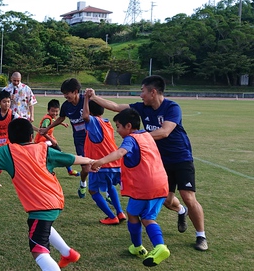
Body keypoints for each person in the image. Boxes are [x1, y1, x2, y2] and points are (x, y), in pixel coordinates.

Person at [0, 118, 96, 271]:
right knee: (40, 225)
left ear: (10, 138)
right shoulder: (43, 149)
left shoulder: (8, 151)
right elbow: (70, 158)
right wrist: (90, 161)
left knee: (38, 251)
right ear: (31, 137)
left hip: (41, 206)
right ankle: (68, 253)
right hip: (55, 200)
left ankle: (67, 254)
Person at [87, 75, 208, 251]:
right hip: (160, 162)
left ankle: (201, 236)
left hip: (181, 158)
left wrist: (136, 140)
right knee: (165, 199)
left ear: (153, 92)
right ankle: (181, 211)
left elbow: (165, 132)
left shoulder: (172, 107)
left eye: (142, 91)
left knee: (188, 196)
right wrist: (94, 97)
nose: (140, 94)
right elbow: (116, 107)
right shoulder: (142, 108)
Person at [92, 108, 170, 267]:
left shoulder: (131, 139)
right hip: (161, 183)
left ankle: (139, 247)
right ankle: (159, 246)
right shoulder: (147, 135)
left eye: (119, 126)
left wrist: (100, 161)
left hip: (144, 186)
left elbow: (121, 152)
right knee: (148, 217)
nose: (117, 130)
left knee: (133, 214)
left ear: (128, 126)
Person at [38, 78, 89, 198]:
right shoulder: (66, 106)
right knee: (86, 168)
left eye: (67, 93)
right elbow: (61, 118)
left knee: (101, 166)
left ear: (75, 91)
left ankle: (108, 192)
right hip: (79, 140)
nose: (65, 96)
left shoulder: (86, 101)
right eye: (64, 94)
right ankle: (83, 183)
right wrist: (47, 128)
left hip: (93, 139)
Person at [82, 91, 126, 225]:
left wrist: (85, 99)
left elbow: (85, 116)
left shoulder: (94, 122)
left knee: (93, 190)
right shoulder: (106, 123)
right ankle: (120, 212)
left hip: (101, 164)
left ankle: (112, 216)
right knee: (110, 186)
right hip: (115, 163)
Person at [35, 99, 80, 177]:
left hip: (47, 140)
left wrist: (63, 124)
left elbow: (54, 120)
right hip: (44, 141)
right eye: (53, 111)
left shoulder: (51, 117)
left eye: (56, 111)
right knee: (59, 154)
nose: (55, 113)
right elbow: (42, 131)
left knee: (51, 155)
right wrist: (52, 140)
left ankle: (69, 170)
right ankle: (68, 170)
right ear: (48, 110)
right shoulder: (46, 120)